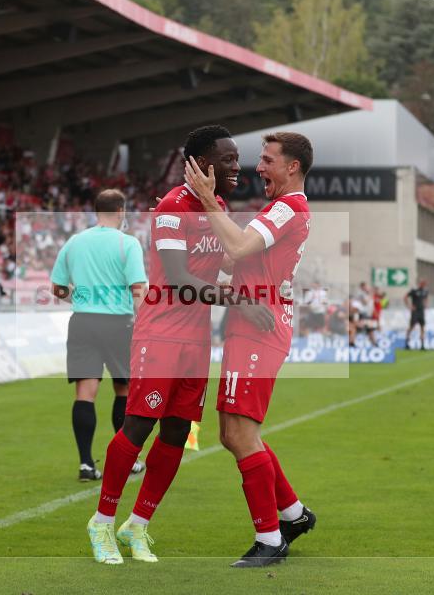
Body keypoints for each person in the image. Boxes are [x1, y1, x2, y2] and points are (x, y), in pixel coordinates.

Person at [86, 126, 273, 565]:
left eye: (236, 158)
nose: (235, 167)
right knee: (138, 427)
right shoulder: (171, 209)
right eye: (227, 159)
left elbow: (225, 260)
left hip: (195, 339)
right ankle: (101, 522)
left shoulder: (218, 207)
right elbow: (179, 281)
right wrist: (238, 301)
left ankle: (139, 525)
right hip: (160, 335)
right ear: (200, 163)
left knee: (175, 432)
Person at [184, 131, 316, 567]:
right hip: (250, 324)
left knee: (240, 434)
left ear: (291, 166)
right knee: (233, 433)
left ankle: (270, 538)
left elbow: (237, 247)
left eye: (267, 159)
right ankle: (293, 515)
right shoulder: (279, 208)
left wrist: (207, 200)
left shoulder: (286, 207)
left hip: (260, 329)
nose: (259, 167)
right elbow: (231, 258)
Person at [50, 189, 148, 482]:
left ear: (96, 211)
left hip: (82, 322)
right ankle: (127, 460)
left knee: (85, 393)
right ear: (120, 211)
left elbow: (57, 289)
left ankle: (85, 464)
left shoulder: (74, 242)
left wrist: (80, 300)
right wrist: (142, 324)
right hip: (118, 324)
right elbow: (138, 289)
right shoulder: (127, 244)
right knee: (124, 391)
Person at [404, 279, 429, 350]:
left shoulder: (425, 291)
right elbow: (405, 297)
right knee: (411, 327)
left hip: (421, 311)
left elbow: (426, 298)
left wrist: (426, 304)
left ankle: (422, 345)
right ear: (420, 284)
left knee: (422, 328)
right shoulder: (414, 291)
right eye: (423, 284)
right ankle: (407, 343)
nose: (424, 286)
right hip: (415, 312)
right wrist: (409, 306)